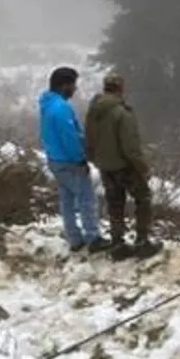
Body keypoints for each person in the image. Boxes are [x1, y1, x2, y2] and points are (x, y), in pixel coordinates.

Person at [85, 73, 160, 260]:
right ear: (120, 88)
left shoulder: (93, 111)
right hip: (125, 166)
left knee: (114, 203)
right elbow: (130, 146)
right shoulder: (122, 112)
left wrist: (96, 159)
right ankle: (142, 241)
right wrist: (143, 167)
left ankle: (117, 242)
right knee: (143, 199)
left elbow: (88, 140)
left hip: (105, 166)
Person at [39, 66, 107, 253]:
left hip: (55, 159)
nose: (75, 89)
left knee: (67, 199)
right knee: (86, 198)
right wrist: (80, 159)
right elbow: (70, 137)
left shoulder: (47, 104)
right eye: (73, 85)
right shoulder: (61, 108)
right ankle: (93, 237)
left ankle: (74, 238)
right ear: (64, 85)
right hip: (69, 161)